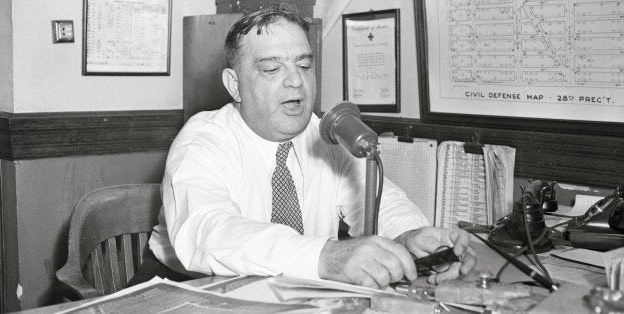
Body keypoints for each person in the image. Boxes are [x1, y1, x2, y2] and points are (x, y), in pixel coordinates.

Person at [146, 4, 476, 289]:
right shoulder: (203, 139)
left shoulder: (325, 133)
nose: (295, 80)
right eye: (271, 69)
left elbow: (377, 199)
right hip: (196, 286)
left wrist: (408, 236)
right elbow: (209, 231)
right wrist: (326, 256)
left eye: (304, 66)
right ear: (235, 85)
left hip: (301, 288)